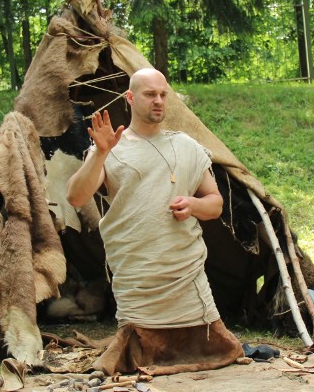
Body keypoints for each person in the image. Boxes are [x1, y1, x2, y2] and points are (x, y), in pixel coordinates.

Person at [66, 68, 243, 374]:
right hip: (138, 276)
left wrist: (193, 204)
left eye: (163, 94)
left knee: (215, 345)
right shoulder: (111, 149)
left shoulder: (187, 146)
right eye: (150, 94)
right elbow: (76, 197)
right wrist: (100, 154)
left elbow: (215, 205)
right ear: (131, 98)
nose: (159, 101)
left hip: (184, 273)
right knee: (136, 347)